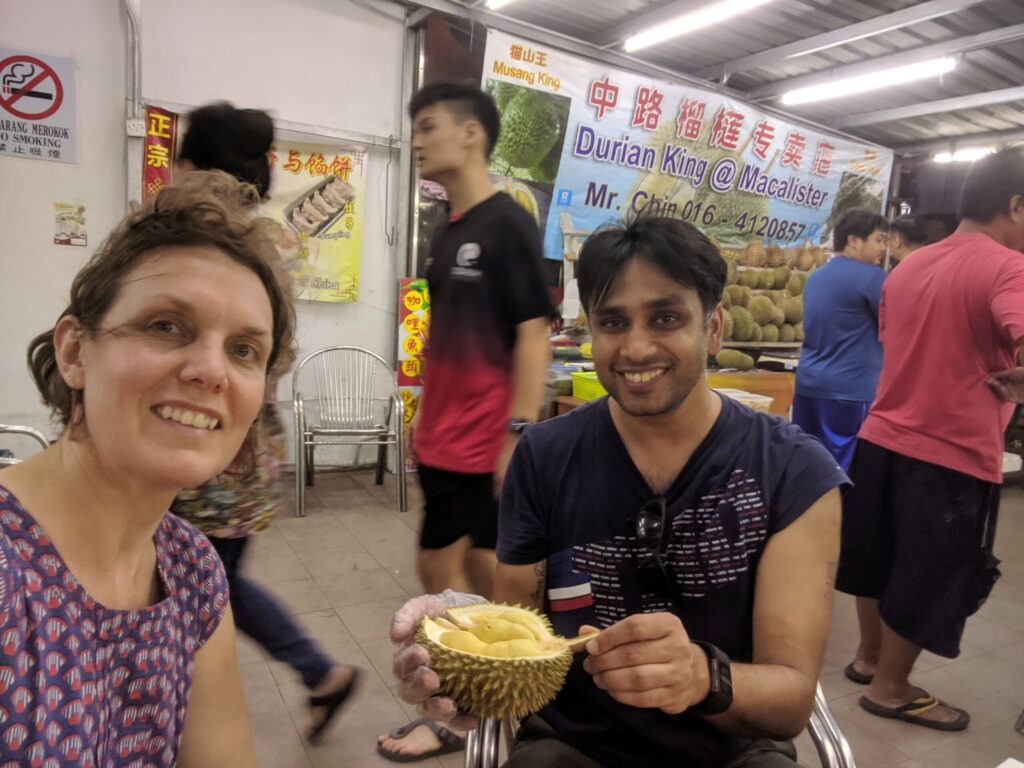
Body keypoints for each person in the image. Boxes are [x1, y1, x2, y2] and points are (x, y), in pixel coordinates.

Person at [385, 216, 848, 768]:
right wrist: (457, 641)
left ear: (715, 327)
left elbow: (791, 699)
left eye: (666, 318)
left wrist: (703, 677)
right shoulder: (545, 456)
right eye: (612, 322)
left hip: (732, 750)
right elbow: (517, 628)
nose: (635, 347)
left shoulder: (795, 473)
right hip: (573, 744)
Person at [0, 172, 292, 765]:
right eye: (166, 326)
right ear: (75, 352)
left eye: (244, 350)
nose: (211, 371)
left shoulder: (192, 573)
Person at [172, 101, 360, 744]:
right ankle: (318, 674)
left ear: (194, 169)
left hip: (212, 457)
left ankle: (317, 673)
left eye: (179, 160)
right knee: (207, 585)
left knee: (202, 588)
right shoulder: (266, 249)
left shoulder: (203, 252)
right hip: (247, 453)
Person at [378, 82, 552, 762]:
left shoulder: (507, 223)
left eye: (427, 126)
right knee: (480, 578)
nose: (417, 140)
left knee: (445, 573)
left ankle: (470, 712)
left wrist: (516, 435)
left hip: (481, 445)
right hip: (444, 441)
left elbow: (534, 333)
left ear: (472, 133)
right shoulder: (450, 230)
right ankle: (508, 696)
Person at [837, 146, 1024, 731]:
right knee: (929, 571)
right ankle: (892, 688)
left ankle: (869, 660)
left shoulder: (909, 267)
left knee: (876, 558)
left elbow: (897, 344)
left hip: (882, 436)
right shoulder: (1008, 268)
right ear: (1017, 206)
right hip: (950, 454)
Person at [792, 209, 889, 471]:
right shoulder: (873, 277)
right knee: (843, 474)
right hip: (849, 393)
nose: (883, 248)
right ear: (854, 240)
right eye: (879, 240)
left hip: (809, 386)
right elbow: (897, 328)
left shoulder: (816, 277)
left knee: (807, 466)